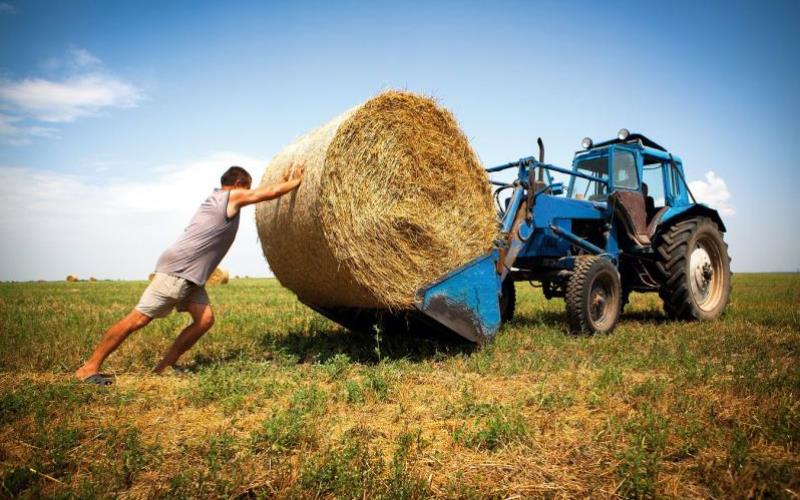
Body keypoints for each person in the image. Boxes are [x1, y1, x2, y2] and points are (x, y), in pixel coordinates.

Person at [75, 164, 303, 384]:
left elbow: (265, 192)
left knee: (204, 320)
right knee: (138, 319)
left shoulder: (217, 199)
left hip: (192, 274)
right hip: (179, 270)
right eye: (248, 187)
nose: (249, 193)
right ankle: (89, 368)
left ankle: (163, 368)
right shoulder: (229, 197)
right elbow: (268, 193)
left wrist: (285, 182)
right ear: (238, 183)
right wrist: (296, 182)